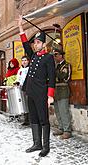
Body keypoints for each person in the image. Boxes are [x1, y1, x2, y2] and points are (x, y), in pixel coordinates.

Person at [17, 15, 55, 157]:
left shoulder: (49, 57)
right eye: (35, 42)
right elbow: (25, 43)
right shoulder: (33, 56)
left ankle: (45, 146)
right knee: (33, 118)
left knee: (43, 119)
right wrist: (20, 27)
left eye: (38, 42)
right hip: (31, 92)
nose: (35, 44)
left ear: (44, 44)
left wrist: (50, 95)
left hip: (41, 93)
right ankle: (36, 143)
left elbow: (52, 77)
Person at [53, 48, 72, 139]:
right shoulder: (56, 66)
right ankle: (61, 127)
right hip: (56, 91)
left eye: (56, 55)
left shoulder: (66, 65)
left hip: (63, 90)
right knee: (58, 111)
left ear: (61, 55)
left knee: (64, 111)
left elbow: (64, 77)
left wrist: (53, 72)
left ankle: (67, 130)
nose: (55, 57)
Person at [14, 55, 30, 126]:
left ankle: (31, 120)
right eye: (23, 60)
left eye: (25, 60)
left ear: (28, 61)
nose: (24, 62)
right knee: (24, 104)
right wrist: (17, 82)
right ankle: (26, 119)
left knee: (29, 104)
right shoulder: (20, 70)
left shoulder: (30, 68)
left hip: (29, 88)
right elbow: (18, 78)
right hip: (21, 89)